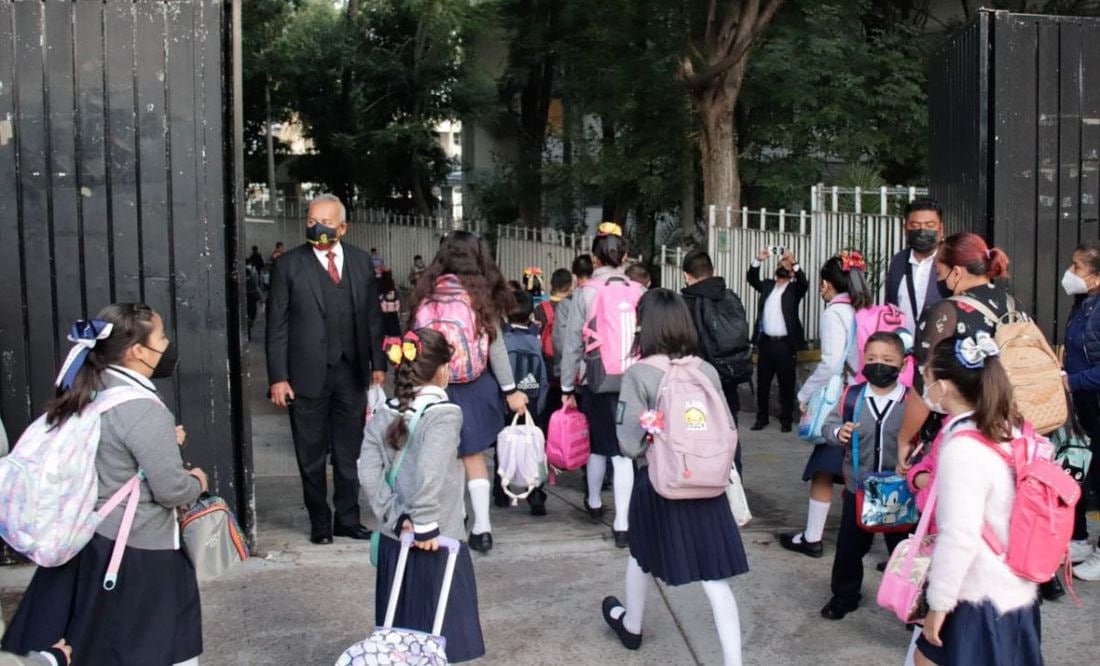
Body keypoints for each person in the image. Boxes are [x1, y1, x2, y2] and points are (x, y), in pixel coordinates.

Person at [2, 304, 207, 664]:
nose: (168, 343)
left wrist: (163, 443)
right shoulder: (143, 408)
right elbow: (170, 490)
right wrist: (196, 481)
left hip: (92, 536)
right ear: (138, 351)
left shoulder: (90, 388)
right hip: (139, 548)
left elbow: (111, 448)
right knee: (152, 645)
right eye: (161, 336)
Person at [602, 288, 748, 665]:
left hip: (659, 484)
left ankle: (631, 625)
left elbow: (630, 444)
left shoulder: (640, 373)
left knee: (640, 554)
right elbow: (727, 428)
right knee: (715, 578)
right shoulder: (706, 370)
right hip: (708, 484)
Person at [359, 328, 485, 663]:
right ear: (443, 369)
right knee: (441, 639)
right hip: (437, 540)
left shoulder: (383, 411)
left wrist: (397, 518)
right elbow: (432, 471)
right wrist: (424, 523)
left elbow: (367, 472)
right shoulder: (445, 414)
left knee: (398, 640)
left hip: (393, 539)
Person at [265, 194, 386, 544]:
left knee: (350, 452)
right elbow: (277, 325)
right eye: (311, 220)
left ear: (343, 227)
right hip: (305, 376)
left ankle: (347, 518)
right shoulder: (289, 265)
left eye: (326, 222)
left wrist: (377, 364)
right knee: (311, 453)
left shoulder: (363, 263)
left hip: (351, 372)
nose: (317, 227)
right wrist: (278, 377)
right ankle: (320, 521)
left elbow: (373, 318)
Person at [914, 335, 1041, 666]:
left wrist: (939, 604)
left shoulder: (962, 449)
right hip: (1014, 587)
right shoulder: (1005, 429)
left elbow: (960, 536)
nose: (923, 386)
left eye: (925, 377)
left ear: (943, 387)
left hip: (978, 595)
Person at [409, 230, 528, 553]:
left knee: (445, 459)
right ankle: (483, 528)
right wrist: (510, 390)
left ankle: (457, 519)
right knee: (474, 457)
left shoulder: (425, 293)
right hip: (474, 387)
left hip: (435, 387)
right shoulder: (480, 295)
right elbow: (497, 350)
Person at [780, 251, 872, 558]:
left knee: (824, 468)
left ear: (827, 284)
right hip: (871, 396)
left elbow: (832, 362)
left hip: (845, 401)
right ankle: (864, 534)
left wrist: (804, 394)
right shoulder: (867, 309)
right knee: (859, 468)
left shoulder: (835, 313)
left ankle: (813, 537)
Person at [818, 332, 908, 620]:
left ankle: (911, 603)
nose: (878, 364)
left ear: (902, 365)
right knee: (849, 548)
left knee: (905, 552)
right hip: (858, 489)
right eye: (871, 359)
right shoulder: (852, 397)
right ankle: (844, 595)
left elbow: (926, 441)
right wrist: (838, 432)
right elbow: (829, 426)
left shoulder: (911, 403)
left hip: (901, 491)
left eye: (887, 360)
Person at [560, 226, 637, 547]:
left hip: (596, 379)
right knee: (624, 452)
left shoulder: (586, 292)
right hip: (634, 380)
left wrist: (566, 386)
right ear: (626, 257)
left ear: (594, 259)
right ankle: (623, 523)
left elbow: (573, 344)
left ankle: (593, 502)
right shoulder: (639, 290)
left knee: (597, 443)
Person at [680, 249, 751, 470]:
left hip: (696, 382)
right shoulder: (731, 297)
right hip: (729, 376)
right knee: (729, 435)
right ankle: (734, 487)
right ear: (714, 272)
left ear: (685, 275)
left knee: (697, 439)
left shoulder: (685, 303)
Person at [1057, 241, 1100, 580]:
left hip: (1093, 398)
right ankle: (1079, 538)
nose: (1070, 273)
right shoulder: (1084, 303)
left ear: (1096, 277)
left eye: (1077, 267)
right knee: (1080, 467)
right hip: (1085, 404)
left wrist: (1070, 381)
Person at [747, 247, 808, 432]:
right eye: (781, 263)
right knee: (763, 384)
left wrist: (794, 261)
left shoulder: (794, 289)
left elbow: (804, 283)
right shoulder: (767, 286)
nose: (783, 266)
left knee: (786, 384)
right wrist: (758, 259)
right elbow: (751, 279)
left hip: (785, 344)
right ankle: (761, 418)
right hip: (766, 342)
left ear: (791, 272)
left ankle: (786, 419)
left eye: (787, 265)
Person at [501, 288, 550, 515]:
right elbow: (544, 377)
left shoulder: (502, 341)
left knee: (505, 443)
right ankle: (537, 494)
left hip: (508, 403)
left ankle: (501, 490)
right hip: (533, 402)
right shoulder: (535, 341)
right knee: (535, 449)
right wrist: (540, 404)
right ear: (531, 315)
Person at [886, 199, 945, 332]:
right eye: (915, 225)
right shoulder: (898, 262)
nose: (922, 231)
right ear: (905, 228)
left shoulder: (950, 262)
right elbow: (890, 305)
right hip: (902, 345)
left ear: (941, 229)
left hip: (938, 346)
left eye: (930, 225)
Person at [534, 267, 574, 424]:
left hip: (547, 365)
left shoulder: (540, 309)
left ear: (551, 284)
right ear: (570, 285)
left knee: (548, 409)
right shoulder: (573, 306)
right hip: (568, 367)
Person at [552, 254, 593, 379]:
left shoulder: (566, 304)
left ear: (574, 277)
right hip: (598, 371)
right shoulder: (603, 298)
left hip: (573, 374)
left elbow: (561, 344)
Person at [378, 270, 402, 338]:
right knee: (394, 322)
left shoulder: (381, 284)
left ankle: (388, 336)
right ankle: (396, 335)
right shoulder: (392, 284)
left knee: (387, 324)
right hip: (393, 310)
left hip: (386, 310)